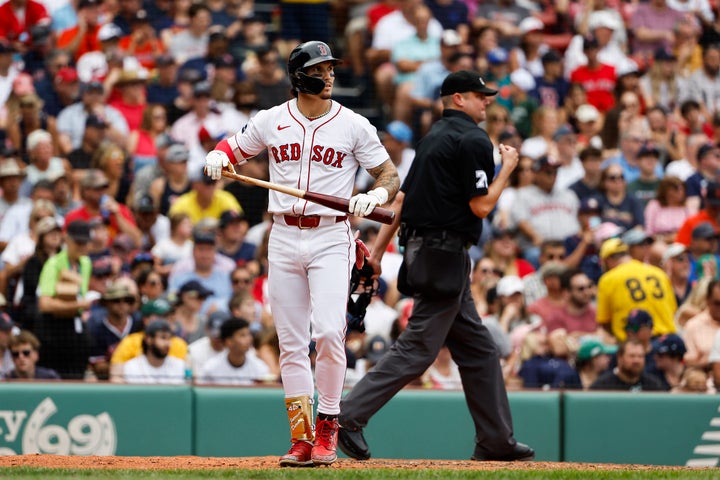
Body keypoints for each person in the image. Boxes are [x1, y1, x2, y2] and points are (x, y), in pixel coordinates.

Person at [204, 40, 400, 467]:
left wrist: (377, 194)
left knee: (329, 333)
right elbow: (231, 148)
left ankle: (328, 426)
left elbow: (389, 173)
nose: (329, 75)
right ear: (300, 76)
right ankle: (301, 437)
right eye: (321, 68)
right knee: (291, 343)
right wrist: (217, 158)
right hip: (283, 234)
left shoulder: (352, 124)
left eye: (331, 68)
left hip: (331, 236)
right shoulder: (272, 120)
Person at [334, 70, 534, 463]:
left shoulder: (432, 140)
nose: (487, 101)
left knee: (478, 350)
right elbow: (481, 206)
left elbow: (402, 201)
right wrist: (507, 167)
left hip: (428, 253)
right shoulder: (473, 139)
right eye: (479, 95)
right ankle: (347, 416)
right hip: (444, 256)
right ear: (458, 98)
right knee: (419, 348)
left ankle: (496, 440)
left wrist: (376, 255)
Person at [196, 317, 270, 385]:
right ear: (229, 341)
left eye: (249, 334)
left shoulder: (260, 367)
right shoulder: (210, 368)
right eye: (242, 335)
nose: (249, 339)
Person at [121, 319, 186, 384]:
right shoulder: (132, 367)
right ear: (148, 339)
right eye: (163, 338)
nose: (167, 343)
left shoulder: (179, 365)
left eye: (169, 339)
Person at [590, 339, 667, 391]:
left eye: (640, 356)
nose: (636, 360)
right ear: (620, 358)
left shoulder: (654, 385)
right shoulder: (602, 386)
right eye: (632, 356)